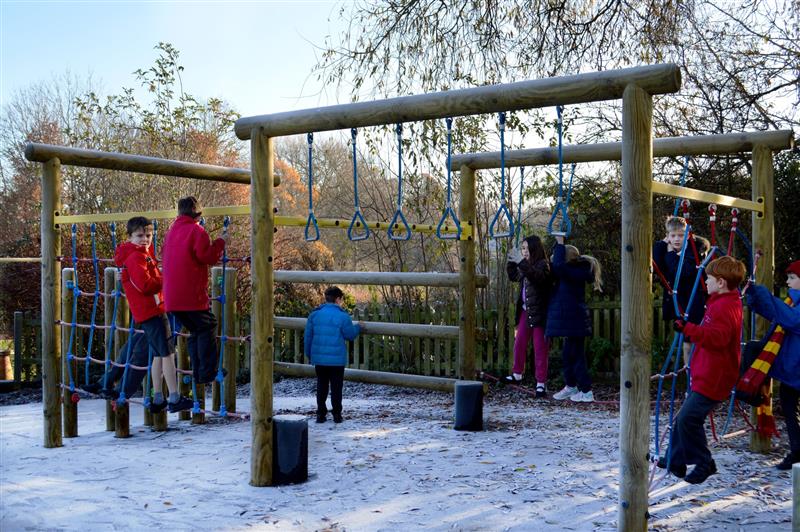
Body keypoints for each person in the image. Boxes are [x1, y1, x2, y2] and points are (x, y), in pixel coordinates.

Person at [83, 217, 192, 413]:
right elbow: (146, 285)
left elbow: (143, 277)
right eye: (140, 236)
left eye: (148, 235)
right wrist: (168, 277)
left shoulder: (142, 254)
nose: (145, 239)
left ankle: (152, 396)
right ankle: (171, 397)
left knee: (151, 352)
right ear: (130, 236)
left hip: (149, 309)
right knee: (163, 354)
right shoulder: (136, 257)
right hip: (153, 311)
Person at [659, 255, 746, 484]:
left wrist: (689, 329)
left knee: (689, 419)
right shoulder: (720, 302)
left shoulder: (726, 307)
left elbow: (718, 338)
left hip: (715, 377)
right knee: (683, 418)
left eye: (708, 279)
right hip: (708, 373)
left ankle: (704, 462)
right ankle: (675, 459)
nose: (705, 282)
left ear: (721, 282)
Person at [162, 197, 227, 385]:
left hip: (172, 298)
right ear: (197, 214)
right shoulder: (197, 231)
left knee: (196, 330)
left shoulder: (172, 231)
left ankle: (199, 372)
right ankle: (206, 372)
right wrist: (221, 242)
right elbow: (208, 256)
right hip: (190, 296)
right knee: (208, 326)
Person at [745, 259, 800, 470]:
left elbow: (792, 320)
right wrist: (756, 298)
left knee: (790, 407)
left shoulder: (793, 307)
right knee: (789, 407)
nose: (787, 282)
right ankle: (797, 451)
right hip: (792, 370)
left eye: (792, 278)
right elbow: (777, 315)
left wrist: (764, 295)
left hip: (796, 369)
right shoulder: (791, 303)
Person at [548, 236, 603, 403]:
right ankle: (571, 385)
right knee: (568, 354)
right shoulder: (571, 272)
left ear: (566, 259)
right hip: (573, 322)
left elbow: (558, 266)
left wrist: (560, 243)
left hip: (575, 322)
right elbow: (556, 266)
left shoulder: (574, 272)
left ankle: (586, 390)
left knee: (576, 356)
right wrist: (557, 246)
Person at [653, 216, 707, 365]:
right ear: (667, 236)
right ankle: (688, 373)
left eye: (681, 235)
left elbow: (681, 271)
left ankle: (697, 374)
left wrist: (670, 254)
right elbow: (656, 264)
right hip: (679, 301)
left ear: (688, 235)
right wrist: (663, 245)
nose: (677, 239)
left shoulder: (695, 251)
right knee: (686, 342)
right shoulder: (665, 247)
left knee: (695, 340)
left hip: (695, 301)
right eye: (673, 235)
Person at [304, 286, 361, 424]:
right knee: (336, 387)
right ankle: (337, 414)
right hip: (336, 360)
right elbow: (350, 335)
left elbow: (308, 337)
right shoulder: (343, 316)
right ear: (338, 299)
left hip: (319, 359)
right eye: (341, 299)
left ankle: (321, 414)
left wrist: (309, 354)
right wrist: (359, 327)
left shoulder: (314, 315)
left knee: (321, 386)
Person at [505, 235, 553, 397]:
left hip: (540, 313)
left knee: (540, 348)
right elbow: (514, 276)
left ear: (534, 249)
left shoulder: (543, 265)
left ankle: (541, 383)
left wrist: (521, 262)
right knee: (519, 342)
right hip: (526, 311)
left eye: (527, 249)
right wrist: (512, 260)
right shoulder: (526, 266)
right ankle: (517, 373)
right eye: (522, 249)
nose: (524, 252)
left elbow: (537, 277)